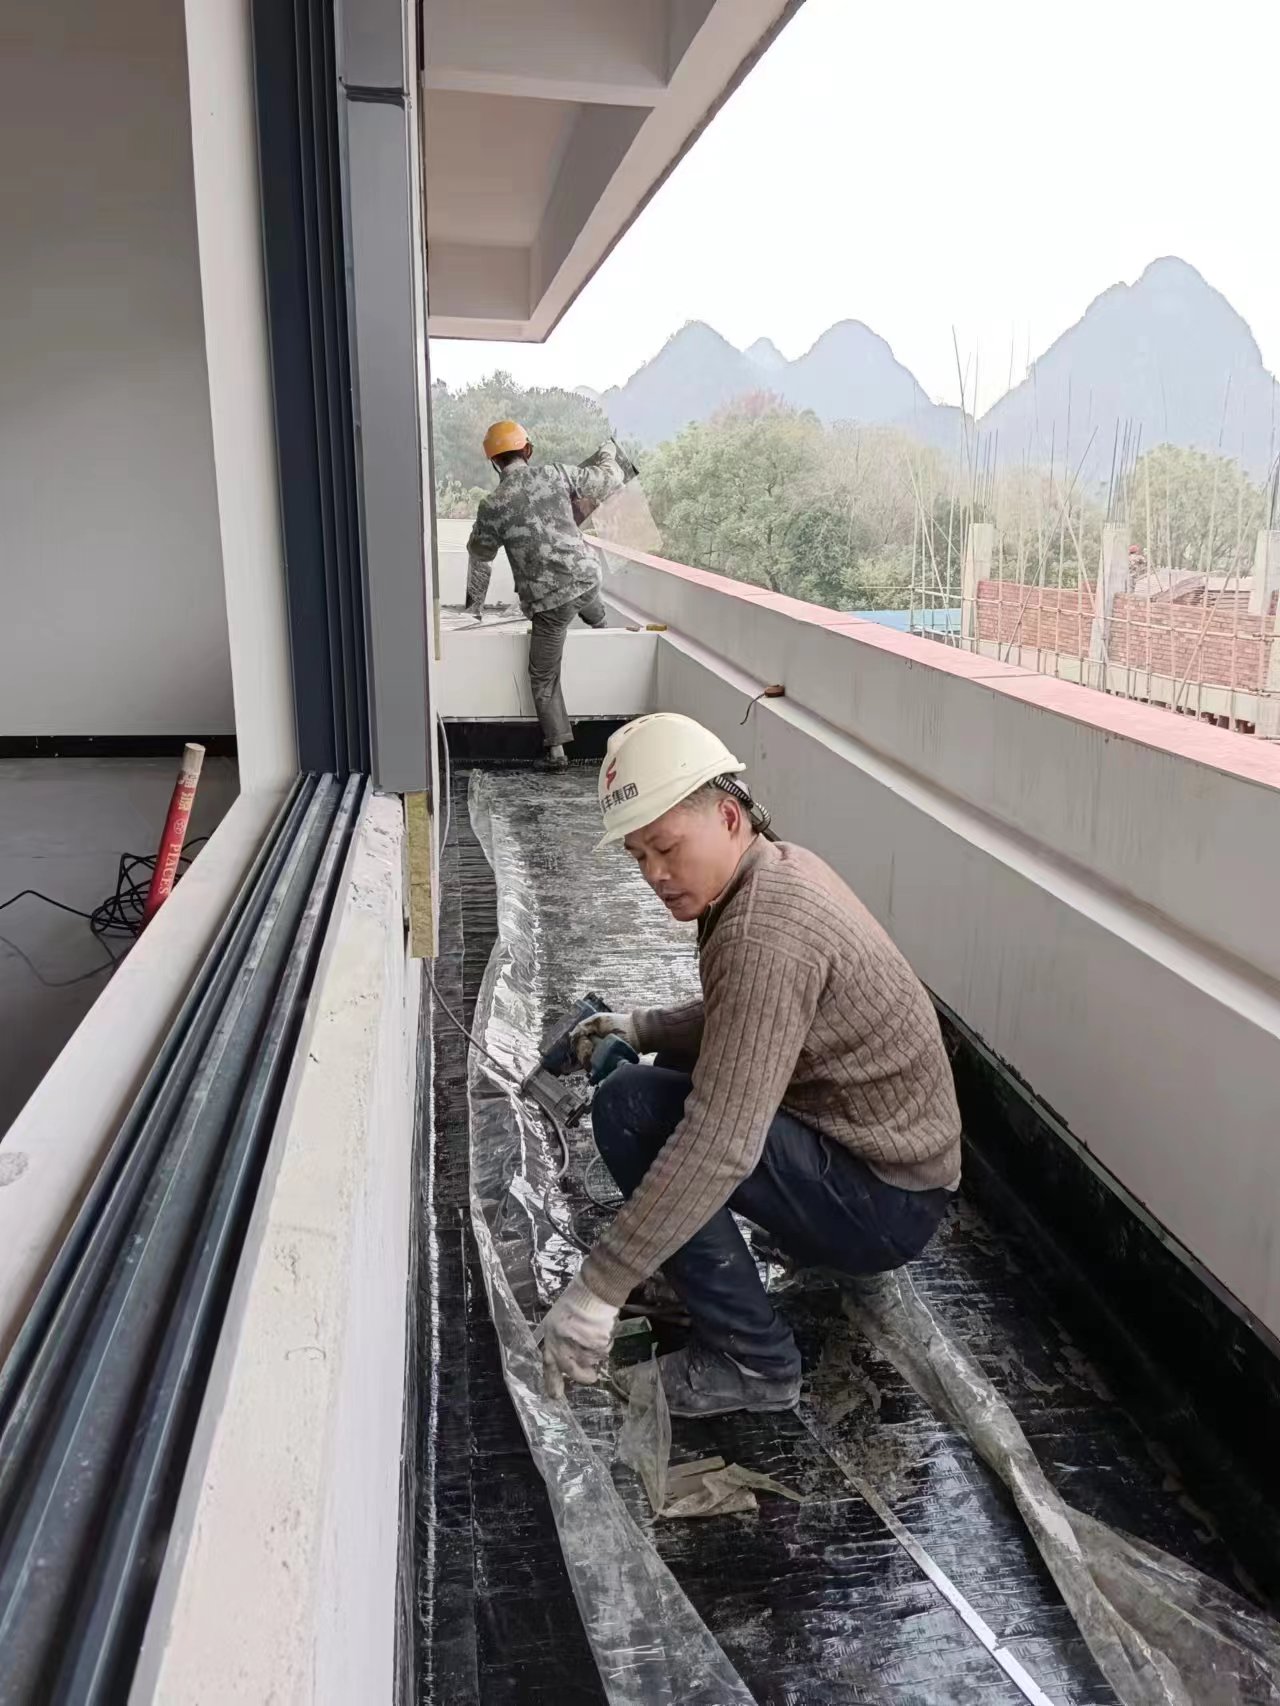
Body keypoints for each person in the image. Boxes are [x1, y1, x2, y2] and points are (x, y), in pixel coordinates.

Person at [539, 713, 963, 1415]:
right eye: (639, 856)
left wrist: (597, 1289)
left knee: (631, 1107)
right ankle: (693, 1270)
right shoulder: (772, 869)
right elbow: (751, 1017)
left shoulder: (765, 929)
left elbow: (721, 1142)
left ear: (730, 817)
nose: (654, 875)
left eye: (667, 847)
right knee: (665, 1075)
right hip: (889, 1171)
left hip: (885, 1203)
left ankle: (754, 1361)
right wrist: (642, 1027)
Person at [465, 422, 636, 771]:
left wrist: (473, 608)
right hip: (587, 578)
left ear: (494, 461)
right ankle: (603, 628)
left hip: (550, 603)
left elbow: (480, 555)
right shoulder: (557, 473)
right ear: (528, 450)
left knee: (543, 676)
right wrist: (608, 452)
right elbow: (610, 480)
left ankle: (557, 752)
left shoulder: (492, 505)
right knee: (589, 603)